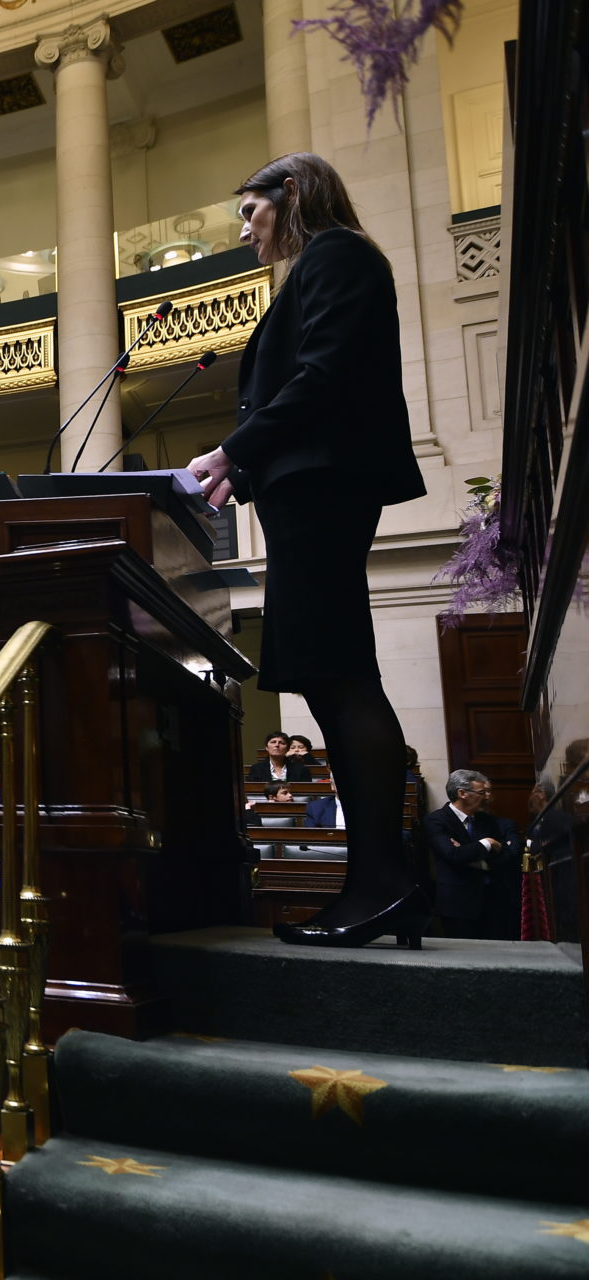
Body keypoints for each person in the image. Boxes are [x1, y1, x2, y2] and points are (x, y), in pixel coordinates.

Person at [185, 153, 429, 949]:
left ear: (292, 193)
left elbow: (324, 378)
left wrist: (232, 451)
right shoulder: (324, 263)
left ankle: (382, 884)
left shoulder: (339, 255)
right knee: (328, 678)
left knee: (342, 674)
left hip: (324, 490)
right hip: (306, 491)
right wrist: (246, 468)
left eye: (250, 211)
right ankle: (375, 884)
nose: (247, 230)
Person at [424, 770, 521, 940]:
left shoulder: (486, 820)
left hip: (493, 902)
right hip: (457, 905)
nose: (487, 797)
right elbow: (452, 854)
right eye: (481, 792)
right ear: (462, 793)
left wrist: (468, 853)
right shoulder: (436, 820)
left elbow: (506, 856)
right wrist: (487, 843)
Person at [245, 731, 313, 784]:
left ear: (287, 748)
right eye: (273, 742)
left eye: (282, 743)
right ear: (266, 747)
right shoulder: (256, 769)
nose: (277, 745)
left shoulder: (301, 770)